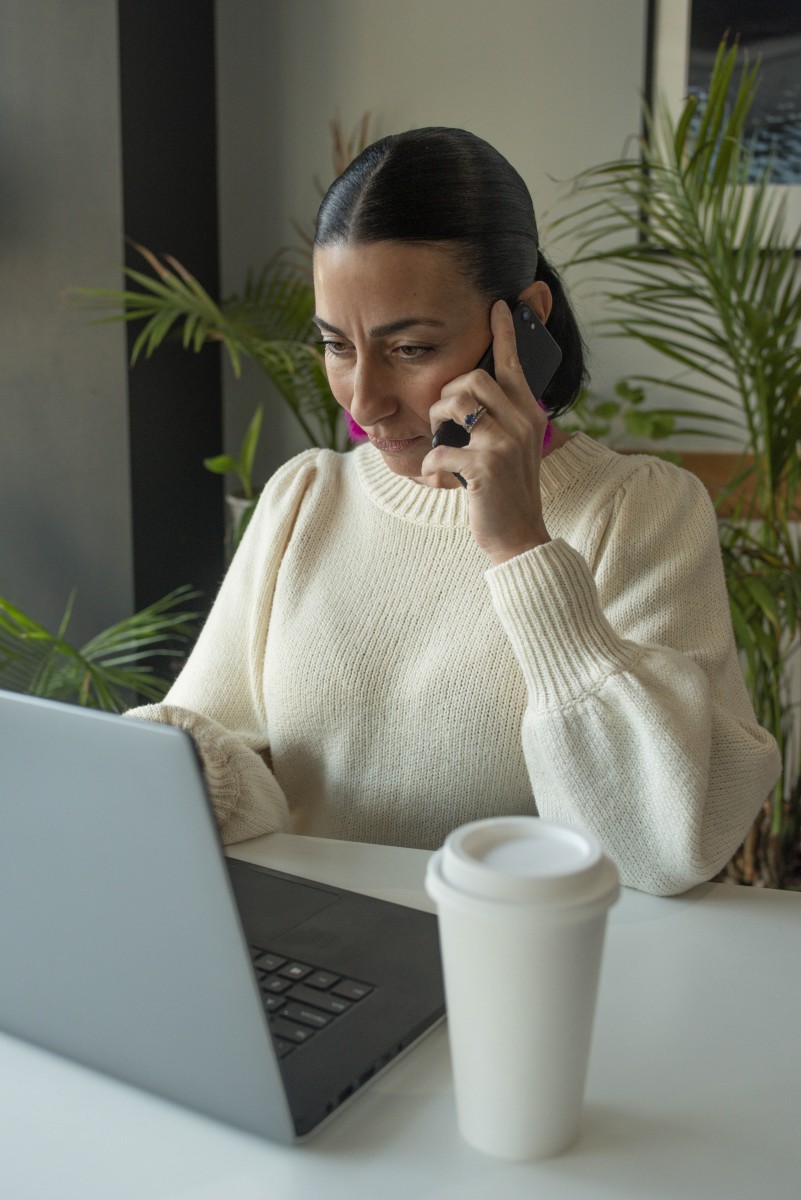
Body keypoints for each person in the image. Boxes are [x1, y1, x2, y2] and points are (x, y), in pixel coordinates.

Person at [127, 127, 780, 895]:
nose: (363, 400)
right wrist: (157, 764)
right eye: (338, 346)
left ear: (524, 321)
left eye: (408, 349)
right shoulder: (304, 497)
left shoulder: (640, 511)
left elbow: (662, 848)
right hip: (317, 963)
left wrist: (520, 546)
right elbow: (227, 769)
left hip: (525, 972)